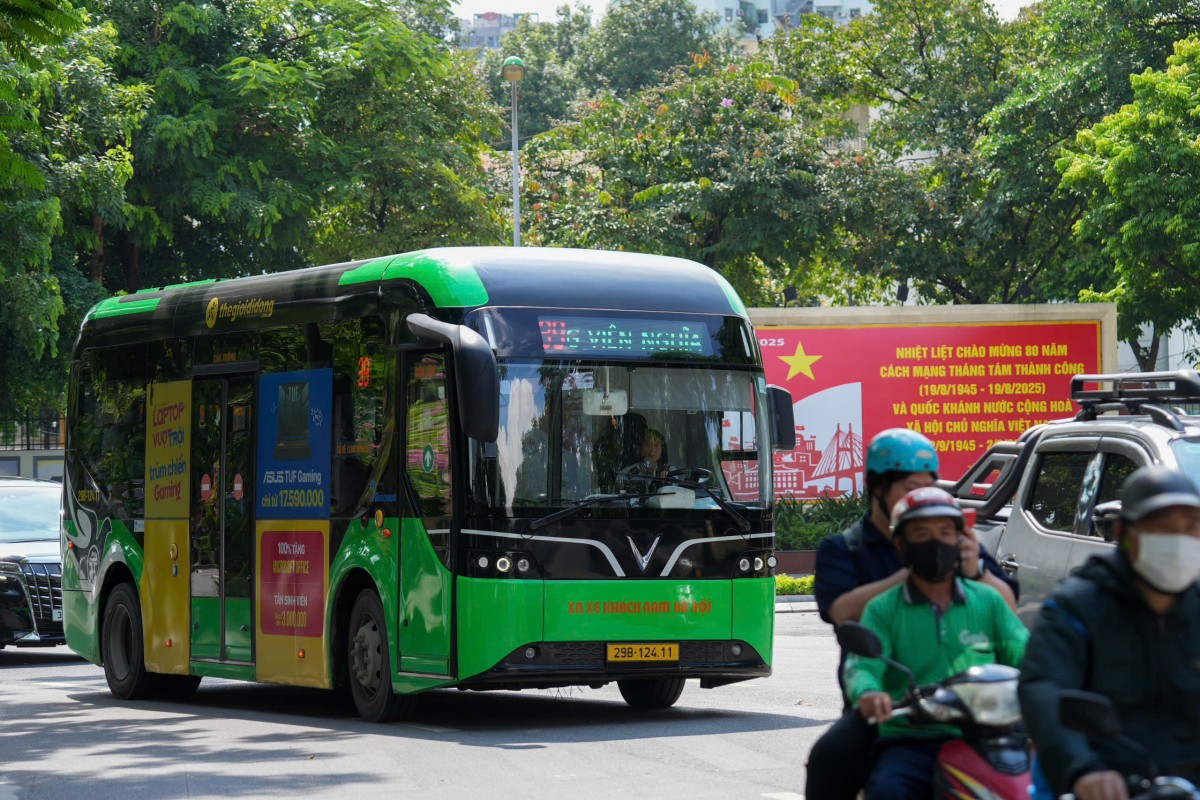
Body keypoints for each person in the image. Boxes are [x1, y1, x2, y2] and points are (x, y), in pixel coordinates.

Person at [806, 428, 1018, 799]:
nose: (920, 495)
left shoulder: (956, 543)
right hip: (893, 709)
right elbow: (840, 611)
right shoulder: (845, 549)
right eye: (908, 487)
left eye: (928, 485)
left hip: (975, 714)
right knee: (831, 757)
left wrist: (974, 571)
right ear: (877, 488)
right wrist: (916, 569)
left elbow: (1008, 615)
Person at [1019, 466, 1200, 800]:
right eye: (1162, 527)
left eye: (1191, 527)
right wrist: (1083, 770)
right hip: (1104, 785)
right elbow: (1045, 689)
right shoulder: (1077, 605)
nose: (1179, 540)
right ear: (1124, 534)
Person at [845, 486, 1029, 800]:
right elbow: (864, 668)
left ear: (961, 540)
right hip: (913, 740)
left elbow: (1028, 656)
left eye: (946, 532)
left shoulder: (988, 601)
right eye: (922, 533)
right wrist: (870, 693)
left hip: (992, 736)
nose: (936, 542)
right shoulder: (883, 608)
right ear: (901, 545)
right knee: (888, 791)